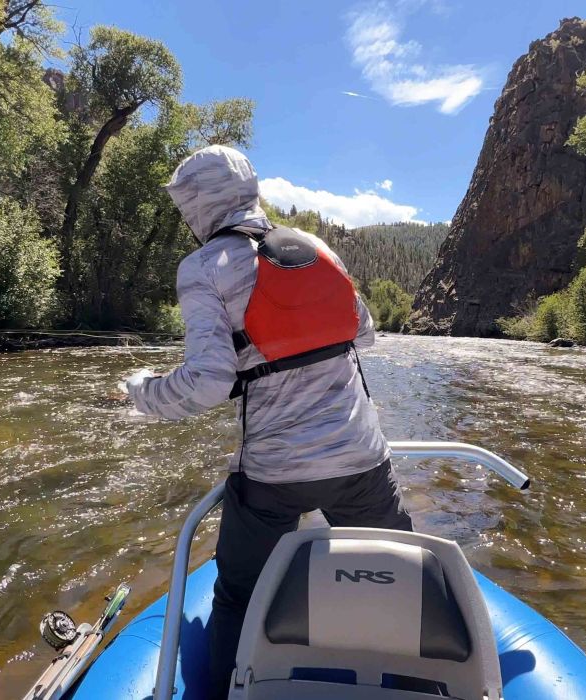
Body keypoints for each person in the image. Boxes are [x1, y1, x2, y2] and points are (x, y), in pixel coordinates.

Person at [124, 145, 413, 700]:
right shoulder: (315, 248)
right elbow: (365, 332)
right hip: (361, 459)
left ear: (199, 203)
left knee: (238, 595)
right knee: (398, 574)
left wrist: (142, 394)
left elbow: (208, 382)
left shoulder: (203, 267)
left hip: (274, 475)